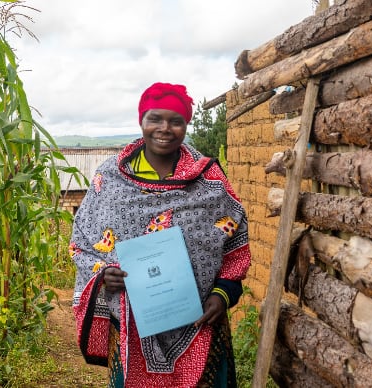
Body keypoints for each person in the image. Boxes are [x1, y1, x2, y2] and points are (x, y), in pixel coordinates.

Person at [70, 82, 251, 388]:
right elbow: (82, 241)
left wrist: (223, 293)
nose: (165, 128)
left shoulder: (210, 180)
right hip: (133, 325)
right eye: (155, 118)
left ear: (186, 125)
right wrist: (103, 274)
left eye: (176, 121)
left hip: (199, 322)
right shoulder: (109, 179)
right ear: (141, 120)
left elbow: (235, 242)